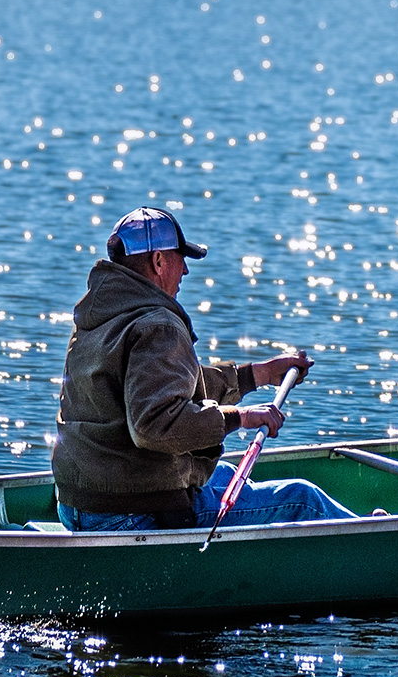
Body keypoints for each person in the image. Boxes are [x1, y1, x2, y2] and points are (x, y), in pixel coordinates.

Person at [51, 206, 357, 532]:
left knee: (221, 473)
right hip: (132, 510)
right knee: (302, 500)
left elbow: (167, 387)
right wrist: (242, 418)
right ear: (158, 262)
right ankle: (377, 542)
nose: (185, 271)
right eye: (180, 258)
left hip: (81, 503)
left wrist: (259, 375)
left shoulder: (100, 317)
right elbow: (153, 426)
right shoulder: (157, 324)